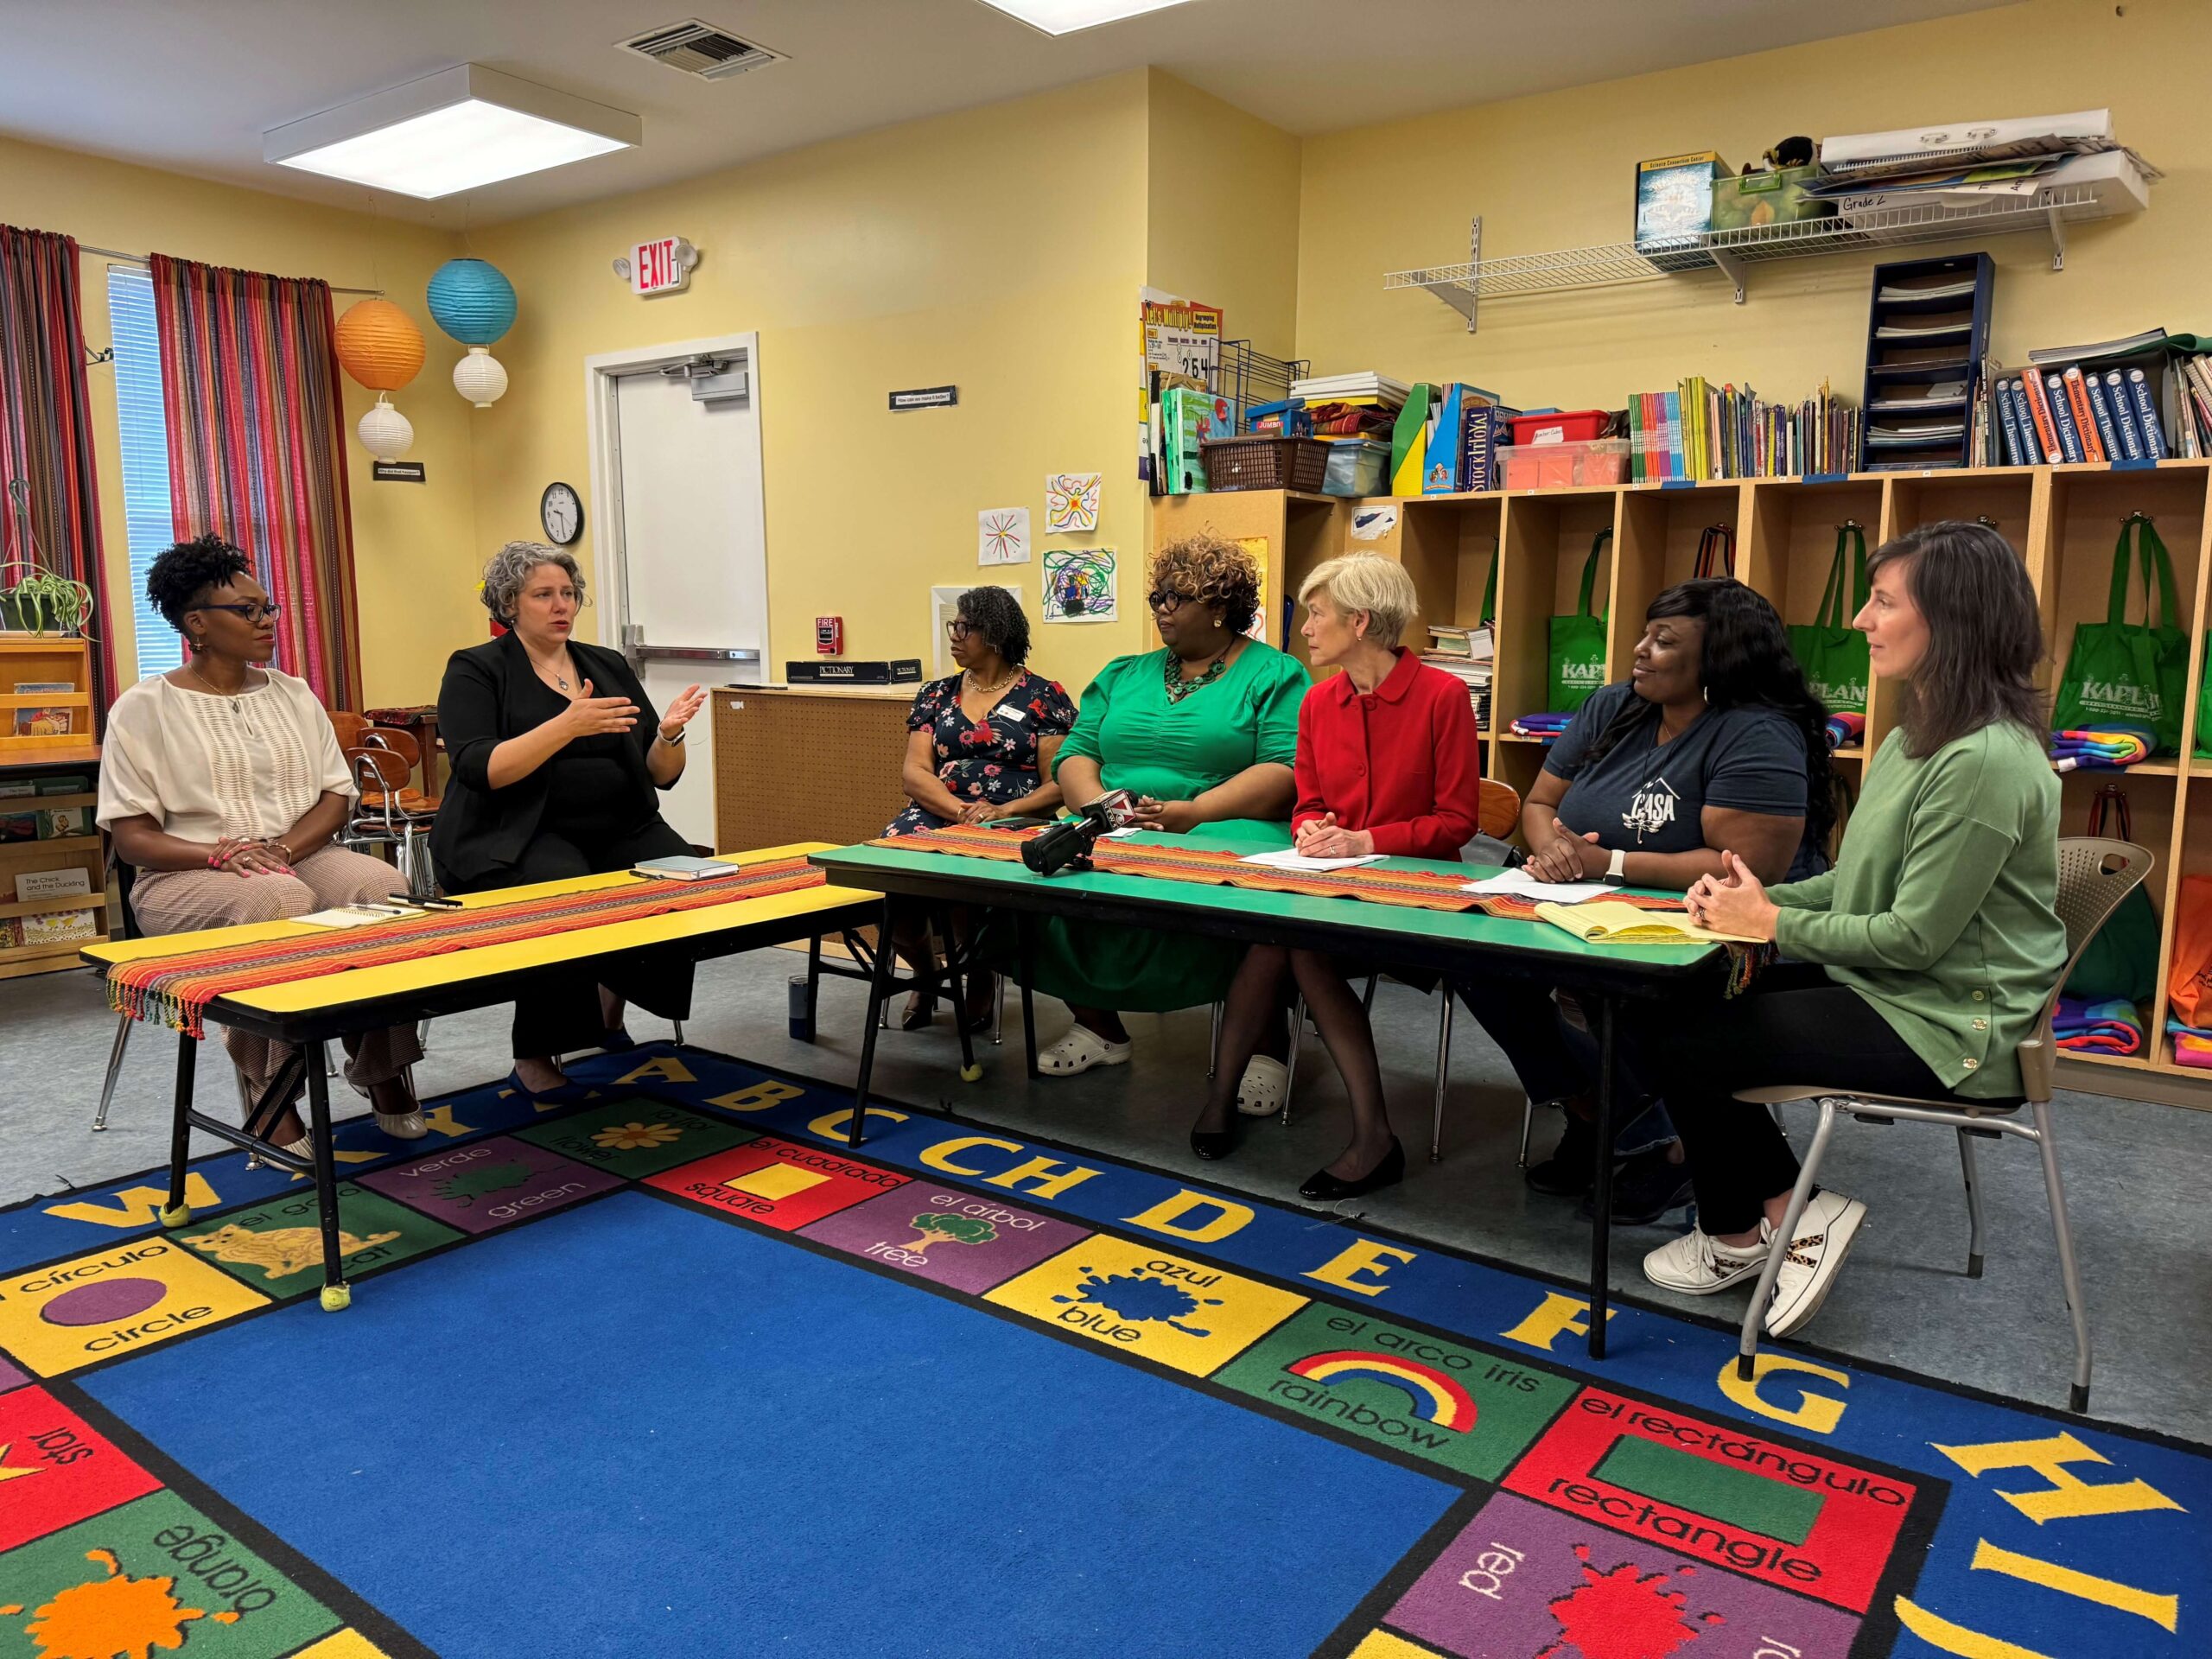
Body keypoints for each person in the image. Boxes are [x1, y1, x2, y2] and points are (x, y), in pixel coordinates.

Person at [1631, 521, 2061, 1338]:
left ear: (1954, 622)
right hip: (1899, 987)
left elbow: (1912, 938)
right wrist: (1755, 899)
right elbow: (1861, 885)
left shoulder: (1984, 761)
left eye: (1883, 602)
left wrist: (1770, 923)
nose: (1860, 619)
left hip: (1953, 1022)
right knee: (1662, 1003)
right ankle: (1753, 1224)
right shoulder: (1914, 734)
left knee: (1691, 1041)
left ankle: (1788, 1213)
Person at [1458, 578, 1837, 1223]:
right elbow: (1542, 802)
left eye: (1664, 641)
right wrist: (1554, 853)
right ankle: (1612, 1116)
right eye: (1644, 634)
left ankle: (1668, 1148)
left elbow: (1744, 870)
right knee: (1477, 958)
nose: (1640, 651)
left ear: (1721, 658)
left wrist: (1609, 863)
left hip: (1731, 938)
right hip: (1592, 909)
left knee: (1630, 991)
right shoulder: (1614, 708)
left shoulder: (1757, 733)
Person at [98, 534, 429, 1155]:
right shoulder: (143, 709)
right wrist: (218, 855)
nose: (268, 620)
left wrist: (280, 848)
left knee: (383, 889)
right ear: (196, 623)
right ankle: (270, 1088)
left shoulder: (293, 693)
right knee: (275, 899)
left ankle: (381, 1065)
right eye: (247, 611)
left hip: (296, 855)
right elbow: (134, 838)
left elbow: (336, 798)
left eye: (269, 606)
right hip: (182, 879)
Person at [1190, 555, 1480, 1198]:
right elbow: (1309, 800)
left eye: (1316, 614)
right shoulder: (1320, 702)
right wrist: (1311, 830)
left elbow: (1457, 822)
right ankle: (1234, 1100)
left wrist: (1367, 840)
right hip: (1333, 887)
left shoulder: (1444, 696)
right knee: (1280, 936)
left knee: (1298, 945)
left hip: (1420, 897)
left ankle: (1366, 1135)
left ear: (1361, 620)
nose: (1305, 631)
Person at [1019, 533, 1309, 1076]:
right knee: (1037, 882)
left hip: (1227, 821)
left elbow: (1285, 770)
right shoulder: (1125, 672)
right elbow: (1077, 754)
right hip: (1113, 823)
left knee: (1226, 888)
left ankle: (1263, 1046)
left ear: (1220, 608)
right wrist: (1099, 811)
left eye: (1178, 598)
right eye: (1158, 597)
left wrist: (1193, 813)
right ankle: (1098, 1025)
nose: (1162, 609)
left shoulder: (1275, 673)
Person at [429, 542, 709, 1101]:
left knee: (686, 878)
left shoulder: (605, 664)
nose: (562, 606)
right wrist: (567, 725)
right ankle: (534, 1053)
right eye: (544, 595)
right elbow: (481, 768)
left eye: (569, 594)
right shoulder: (477, 668)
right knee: (566, 895)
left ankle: (608, 1012)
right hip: (512, 832)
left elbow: (659, 773)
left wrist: (671, 733)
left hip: (618, 824)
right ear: (510, 603)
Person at [885, 586, 1075, 1031]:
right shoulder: (936, 695)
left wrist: (1001, 811)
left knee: (971, 876)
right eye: (954, 625)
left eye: (964, 627)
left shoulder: (1042, 696)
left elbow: (1058, 786)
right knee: (890, 870)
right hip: (940, 811)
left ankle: (980, 976)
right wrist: (959, 811)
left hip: (1014, 815)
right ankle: (927, 971)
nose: (954, 635)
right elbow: (915, 773)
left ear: (994, 634)